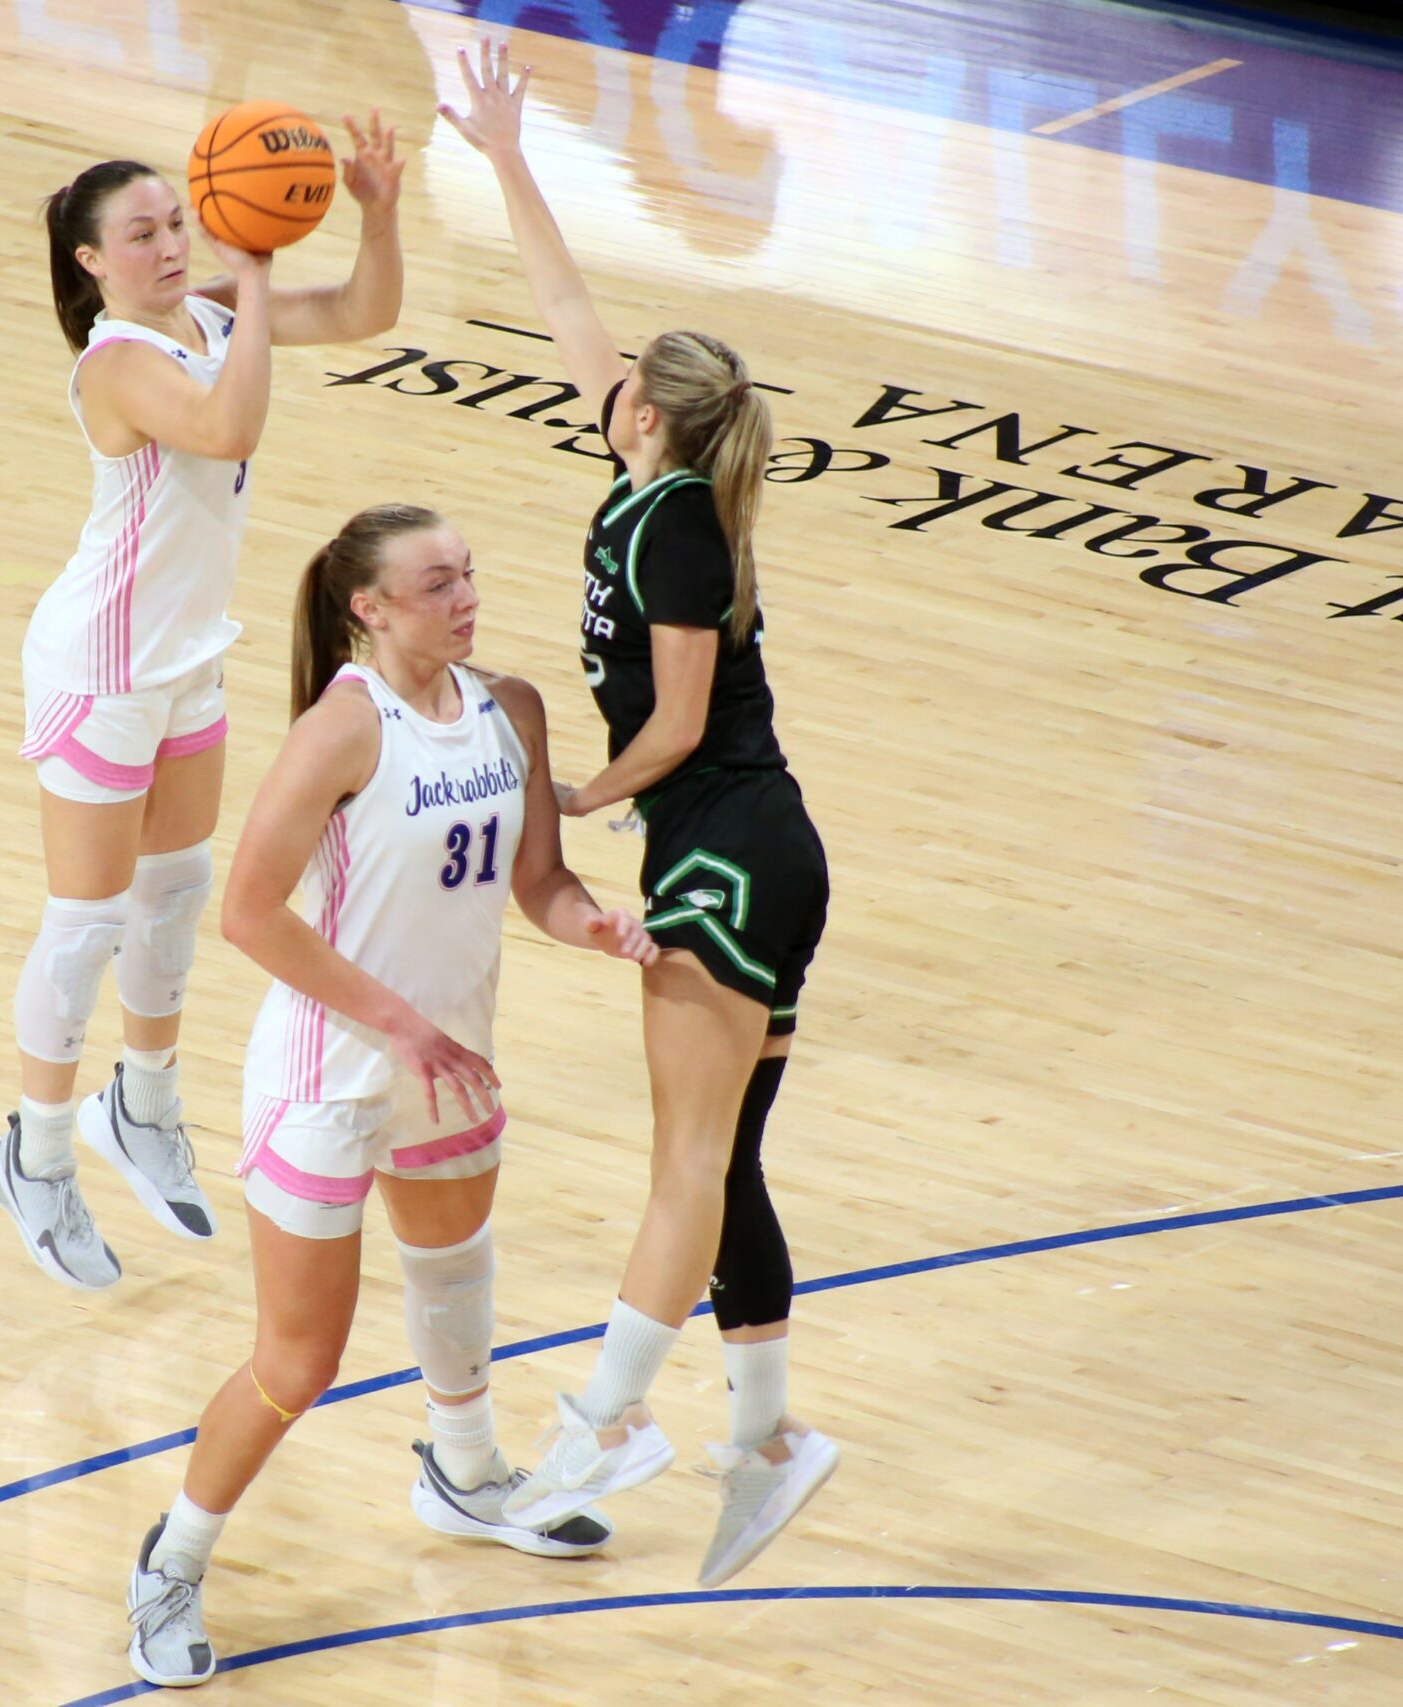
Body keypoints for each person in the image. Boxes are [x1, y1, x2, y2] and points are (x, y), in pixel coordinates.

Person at [120, 504, 658, 1688]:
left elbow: (539, 879)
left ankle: (465, 1476)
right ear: (369, 606)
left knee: (456, 1282)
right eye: (435, 584)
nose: (465, 598)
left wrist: (599, 928)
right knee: (299, 1361)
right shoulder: (342, 730)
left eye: (470, 574)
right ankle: (173, 1558)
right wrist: (399, 1023)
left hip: (448, 1060)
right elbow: (248, 916)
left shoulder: (509, 707)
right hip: (336, 1074)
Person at [438, 43, 841, 1587]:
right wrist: (506, 153)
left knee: (682, 1161)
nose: (600, 390)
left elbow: (676, 723)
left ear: (654, 423)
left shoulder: (681, 532)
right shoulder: (655, 461)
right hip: (753, 846)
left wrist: (570, 794)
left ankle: (606, 1421)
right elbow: (564, 308)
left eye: (625, 390)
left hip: (731, 848)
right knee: (725, 1164)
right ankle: (771, 1438)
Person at [0, 123, 407, 1289]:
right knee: (86, 921)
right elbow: (230, 427)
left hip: (182, 660)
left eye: (177, 222)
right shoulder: (118, 361)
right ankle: (35, 1152)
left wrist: (373, 211)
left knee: (174, 894)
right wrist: (259, 283)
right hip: (99, 669)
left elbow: (366, 312)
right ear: (89, 262)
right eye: (142, 233)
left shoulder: (212, 316)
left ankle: (145, 1106)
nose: (170, 245)